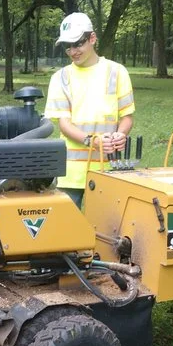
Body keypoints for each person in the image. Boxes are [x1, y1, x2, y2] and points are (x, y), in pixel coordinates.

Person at [44, 12, 135, 206]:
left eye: (78, 43)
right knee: (69, 231)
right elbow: (64, 124)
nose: (73, 51)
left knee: (108, 232)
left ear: (92, 38)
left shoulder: (117, 72)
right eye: (67, 46)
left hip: (109, 168)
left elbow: (127, 116)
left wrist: (121, 134)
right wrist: (92, 141)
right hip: (70, 173)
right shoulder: (60, 78)